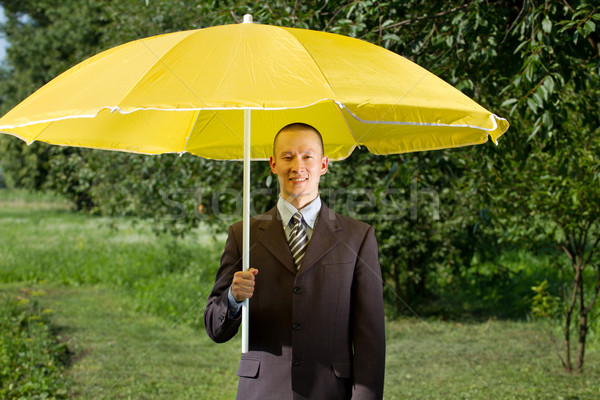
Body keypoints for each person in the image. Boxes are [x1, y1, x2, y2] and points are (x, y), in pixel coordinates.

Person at [204, 123, 385, 400]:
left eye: (307, 156)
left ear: (323, 164)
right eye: (287, 157)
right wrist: (232, 298)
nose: (297, 166)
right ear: (273, 164)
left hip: (330, 392)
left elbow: (370, 341)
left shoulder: (358, 237)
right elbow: (214, 329)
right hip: (261, 391)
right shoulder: (243, 235)